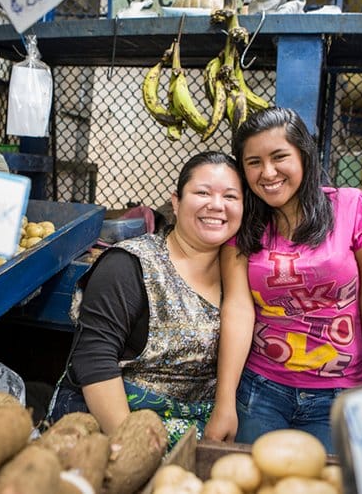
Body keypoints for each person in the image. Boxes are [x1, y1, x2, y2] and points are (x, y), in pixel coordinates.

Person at [204, 107, 362, 453]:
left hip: (339, 396)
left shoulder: (353, 207)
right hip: (260, 391)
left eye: (280, 157)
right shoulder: (245, 223)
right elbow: (237, 309)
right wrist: (225, 402)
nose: (268, 172)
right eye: (254, 162)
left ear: (305, 156)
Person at [48, 151, 245, 445]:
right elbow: (94, 360)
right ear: (176, 202)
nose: (216, 205)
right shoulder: (130, 264)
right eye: (202, 192)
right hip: (111, 423)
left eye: (230, 196)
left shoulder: (240, 277)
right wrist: (130, 446)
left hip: (196, 428)